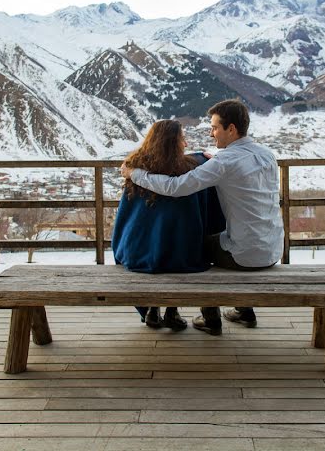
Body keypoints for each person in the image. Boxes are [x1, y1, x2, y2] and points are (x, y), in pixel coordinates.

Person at [120, 99, 283, 335]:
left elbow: (175, 187)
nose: (211, 132)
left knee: (194, 246)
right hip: (273, 249)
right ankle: (244, 311)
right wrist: (210, 157)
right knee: (224, 236)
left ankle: (209, 318)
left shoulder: (225, 161)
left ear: (231, 129)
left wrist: (135, 173)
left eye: (215, 127)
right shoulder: (266, 155)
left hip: (244, 256)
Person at [112, 119, 225, 331]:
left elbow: (125, 221)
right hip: (184, 257)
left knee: (159, 244)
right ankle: (171, 313)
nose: (185, 143)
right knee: (179, 244)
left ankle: (152, 310)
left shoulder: (135, 170)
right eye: (182, 138)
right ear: (175, 143)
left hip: (138, 254)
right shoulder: (193, 170)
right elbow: (213, 218)